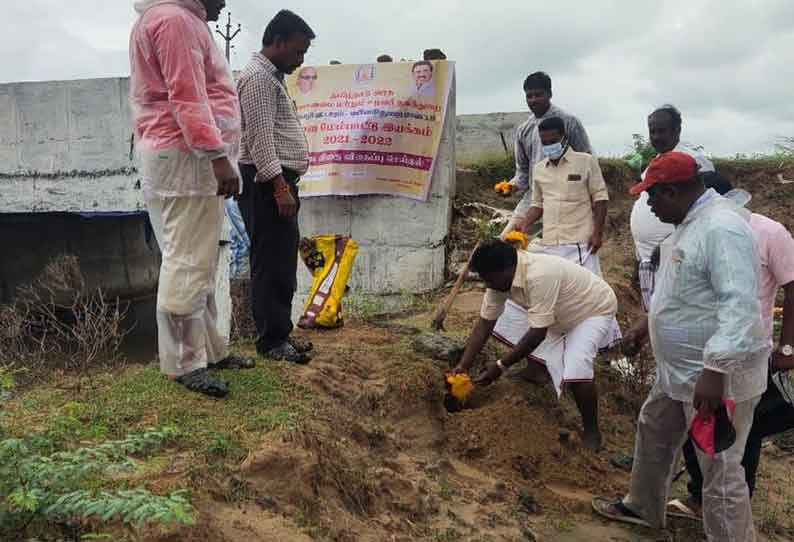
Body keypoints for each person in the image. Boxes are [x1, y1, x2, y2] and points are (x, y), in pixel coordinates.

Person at [592, 152, 770, 542]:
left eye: (651, 198)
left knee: (720, 468)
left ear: (671, 190)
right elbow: (680, 295)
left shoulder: (721, 229)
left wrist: (716, 370)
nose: (649, 206)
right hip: (680, 372)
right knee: (654, 428)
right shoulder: (689, 224)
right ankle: (642, 506)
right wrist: (644, 328)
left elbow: (739, 306)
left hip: (715, 380)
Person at [129, 0, 256, 398]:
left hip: (183, 157)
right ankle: (185, 364)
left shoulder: (175, 19)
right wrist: (217, 156)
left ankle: (211, 351)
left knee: (195, 262)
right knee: (187, 263)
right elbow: (188, 97)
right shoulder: (174, 21)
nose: (223, 3)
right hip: (189, 159)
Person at [665, 179, 794, 521]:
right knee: (700, 430)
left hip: (747, 353)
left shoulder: (769, 232)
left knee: (738, 437)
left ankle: (736, 506)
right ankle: (701, 498)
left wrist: (788, 346)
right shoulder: (695, 233)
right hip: (698, 355)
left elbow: (792, 289)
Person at [452, 240, 618, 451]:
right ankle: (537, 369)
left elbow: (538, 333)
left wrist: (501, 366)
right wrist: (464, 365)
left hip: (591, 310)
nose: (487, 285)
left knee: (577, 367)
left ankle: (592, 431)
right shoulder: (500, 279)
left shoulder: (540, 275)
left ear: (506, 270)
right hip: (557, 313)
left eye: (488, 279)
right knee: (503, 321)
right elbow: (485, 323)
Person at [237, 10, 316, 364]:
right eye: (298, 52)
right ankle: (271, 342)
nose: (300, 61)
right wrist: (280, 188)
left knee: (282, 261)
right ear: (278, 42)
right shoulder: (258, 79)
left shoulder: (271, 78)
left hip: (275, 181)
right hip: (267, 182)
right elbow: (259, 139)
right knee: (271, 263)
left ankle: (279, 334)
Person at [630, 105, 716, 310]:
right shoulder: (658, 160)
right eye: (652, 131)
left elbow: (703, 208)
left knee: (672, 313)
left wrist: (672, 243)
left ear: (677, 131)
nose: (656, 137)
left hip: (674, 256)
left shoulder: (692, 161)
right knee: (654, 316)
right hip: (649, 255)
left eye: (662, 130)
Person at [502, 71, 592, 235]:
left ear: (549, 94)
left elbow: (587, 162)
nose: (534, 100)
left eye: (538, 95)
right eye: (529, 96)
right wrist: (511, 186)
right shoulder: (524, 130)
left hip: (566, 198)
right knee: (508, 242)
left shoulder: (569, 122)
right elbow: (522, 172)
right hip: (534, 198)